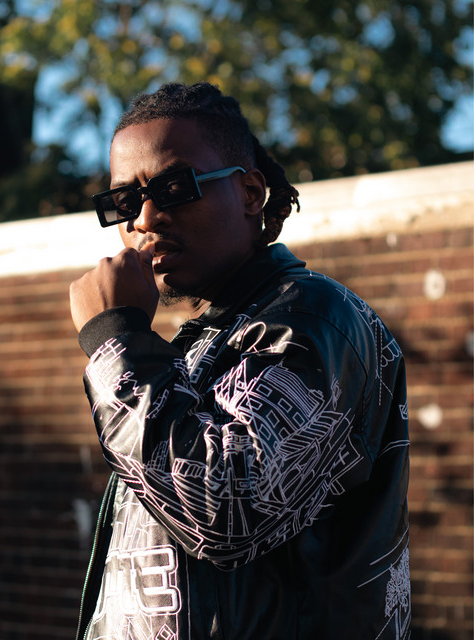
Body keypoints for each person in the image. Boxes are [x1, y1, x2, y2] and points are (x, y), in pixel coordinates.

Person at [69, 82, 410, 640]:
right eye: (125, 202)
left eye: (174, 188)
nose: (146, 218)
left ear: (251, 193)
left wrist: (116, 339)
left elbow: (226, 508)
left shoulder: (314, 318)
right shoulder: (201, 340)